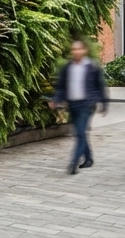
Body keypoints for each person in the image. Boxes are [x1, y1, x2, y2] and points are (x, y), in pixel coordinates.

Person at [49, 39, 108, 175]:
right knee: (81, 133)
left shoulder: (92, 67)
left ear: (84, 50)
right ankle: (88, 158)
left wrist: (104, 104)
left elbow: (100, 86)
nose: (76, 52)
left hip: (87, 105)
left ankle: (74, 163)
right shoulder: (68, 67)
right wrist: (56, 100)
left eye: (79, 49)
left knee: (80, 134)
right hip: (73, 105)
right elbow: (62, 87)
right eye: (74, 49)